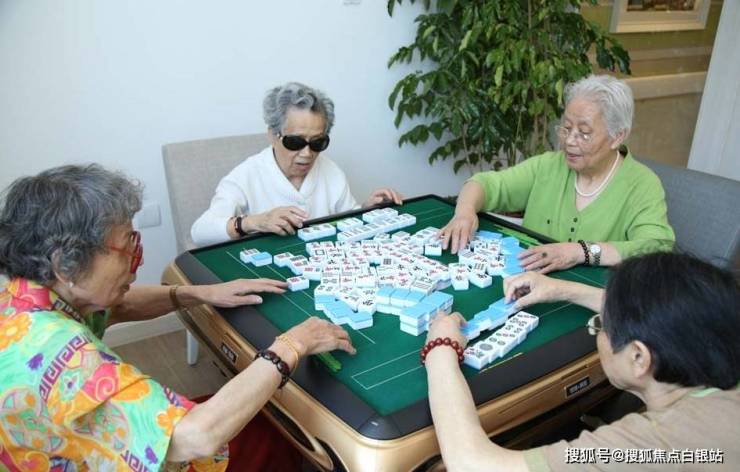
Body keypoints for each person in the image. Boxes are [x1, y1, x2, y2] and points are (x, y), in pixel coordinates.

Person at [0, 164, 355, 470]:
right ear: (65, 265)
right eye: (126, 245)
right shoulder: (62, 357)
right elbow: (194, 438)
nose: (136, 260)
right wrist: (292, 345)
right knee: (272, 433)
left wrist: (198, 293)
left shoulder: (27, 297)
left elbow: (120, 306)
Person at [422, 252, 740, 471]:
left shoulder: (652, 447)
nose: (599, 330)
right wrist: (564, 290)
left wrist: (440, 348)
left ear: (639, 358)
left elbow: (472, 464)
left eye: (602, 325)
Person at [439, 74, 675, 274]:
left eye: (584, 133)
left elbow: (656, 248)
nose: (569, 141)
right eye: (566, 128)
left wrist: (581, 251)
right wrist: (464, 212)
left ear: (617, 136)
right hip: (526, 280)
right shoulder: (548, 166)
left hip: (593, 297)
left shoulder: (642, 184)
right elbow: (485, 184)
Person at [191, 82, 403, 246]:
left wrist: (368, 210)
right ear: (273, 135)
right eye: (295, 142)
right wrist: (253, 222)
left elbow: (348, 217)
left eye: (318, 142)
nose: (307, 154)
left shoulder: (331, 171)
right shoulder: (245, 176)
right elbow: (200, 232)